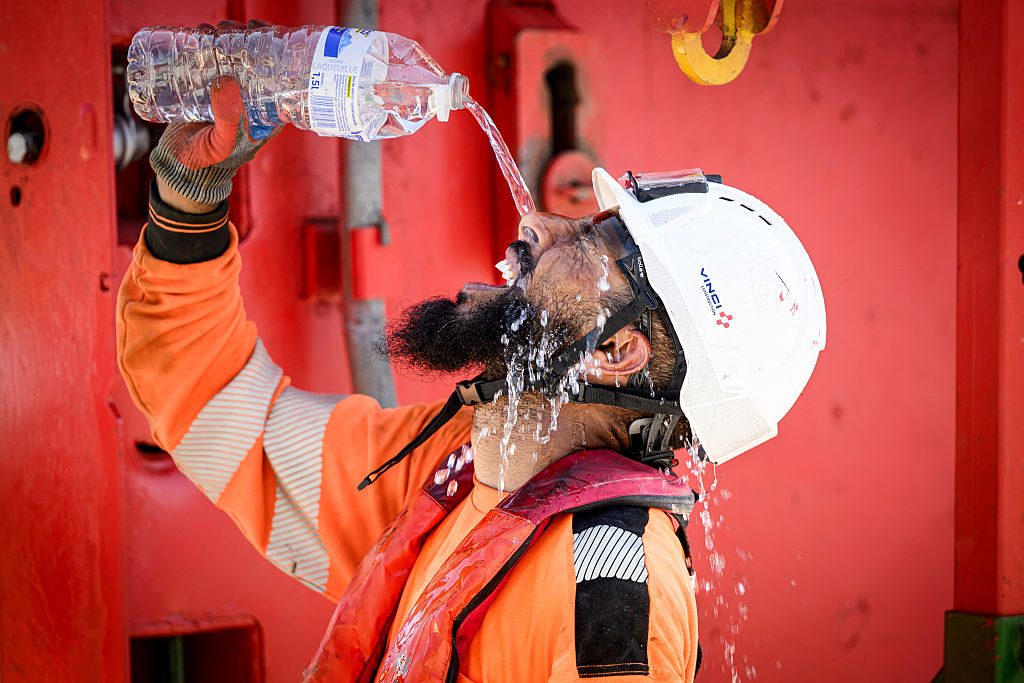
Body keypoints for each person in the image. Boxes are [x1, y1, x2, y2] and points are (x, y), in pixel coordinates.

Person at [118, 74, 825, 683]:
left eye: (589, 241)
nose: (539, 224)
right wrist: (189, 202)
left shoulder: (610, 593)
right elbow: (223, 413)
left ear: (615, 349)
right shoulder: (457, 466)